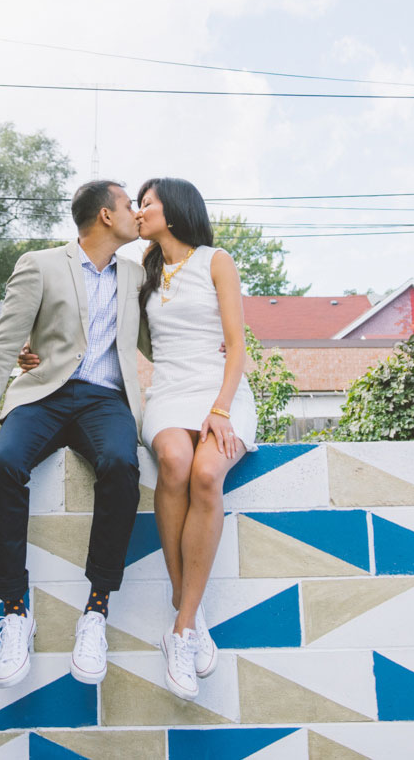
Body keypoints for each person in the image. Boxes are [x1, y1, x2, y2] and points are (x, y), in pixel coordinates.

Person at [0, 180, 145, 690]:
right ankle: (15, 612)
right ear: (105, 215)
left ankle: (96, 611)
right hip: (44, 395)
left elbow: (160, 335)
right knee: (3, 463)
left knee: (123, 467)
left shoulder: (136, 273)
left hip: (106, 401)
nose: (137, 215)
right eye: (129, 206)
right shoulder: (39, 264)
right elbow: (3, 346)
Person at [135, 177, 257, 701]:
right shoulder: (141, 271)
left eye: (147, 204)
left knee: (208, 474)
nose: (139, 212)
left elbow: (237, 346)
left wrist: (221, 409)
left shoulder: (216, 260)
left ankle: (180, 629)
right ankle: (191, 611)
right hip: (166, 393)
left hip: (219, 390)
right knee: (176, 462)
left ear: (175, 208)